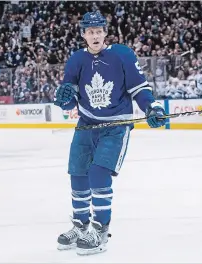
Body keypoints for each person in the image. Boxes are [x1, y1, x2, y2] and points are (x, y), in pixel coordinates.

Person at [53, 11, 166, 256]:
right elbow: (70, 99)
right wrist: (64, 100)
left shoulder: (122, 55)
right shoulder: (75, 60)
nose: (95, 36)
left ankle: (100, 231)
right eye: (90, 32)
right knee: (78, 174)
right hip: (86, 124)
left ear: (105, 32)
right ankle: (80, 226)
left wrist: (152, 107)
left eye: (99, 31)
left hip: (116, 125)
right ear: (83, 34)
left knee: (99, 172)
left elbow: (139, 88)